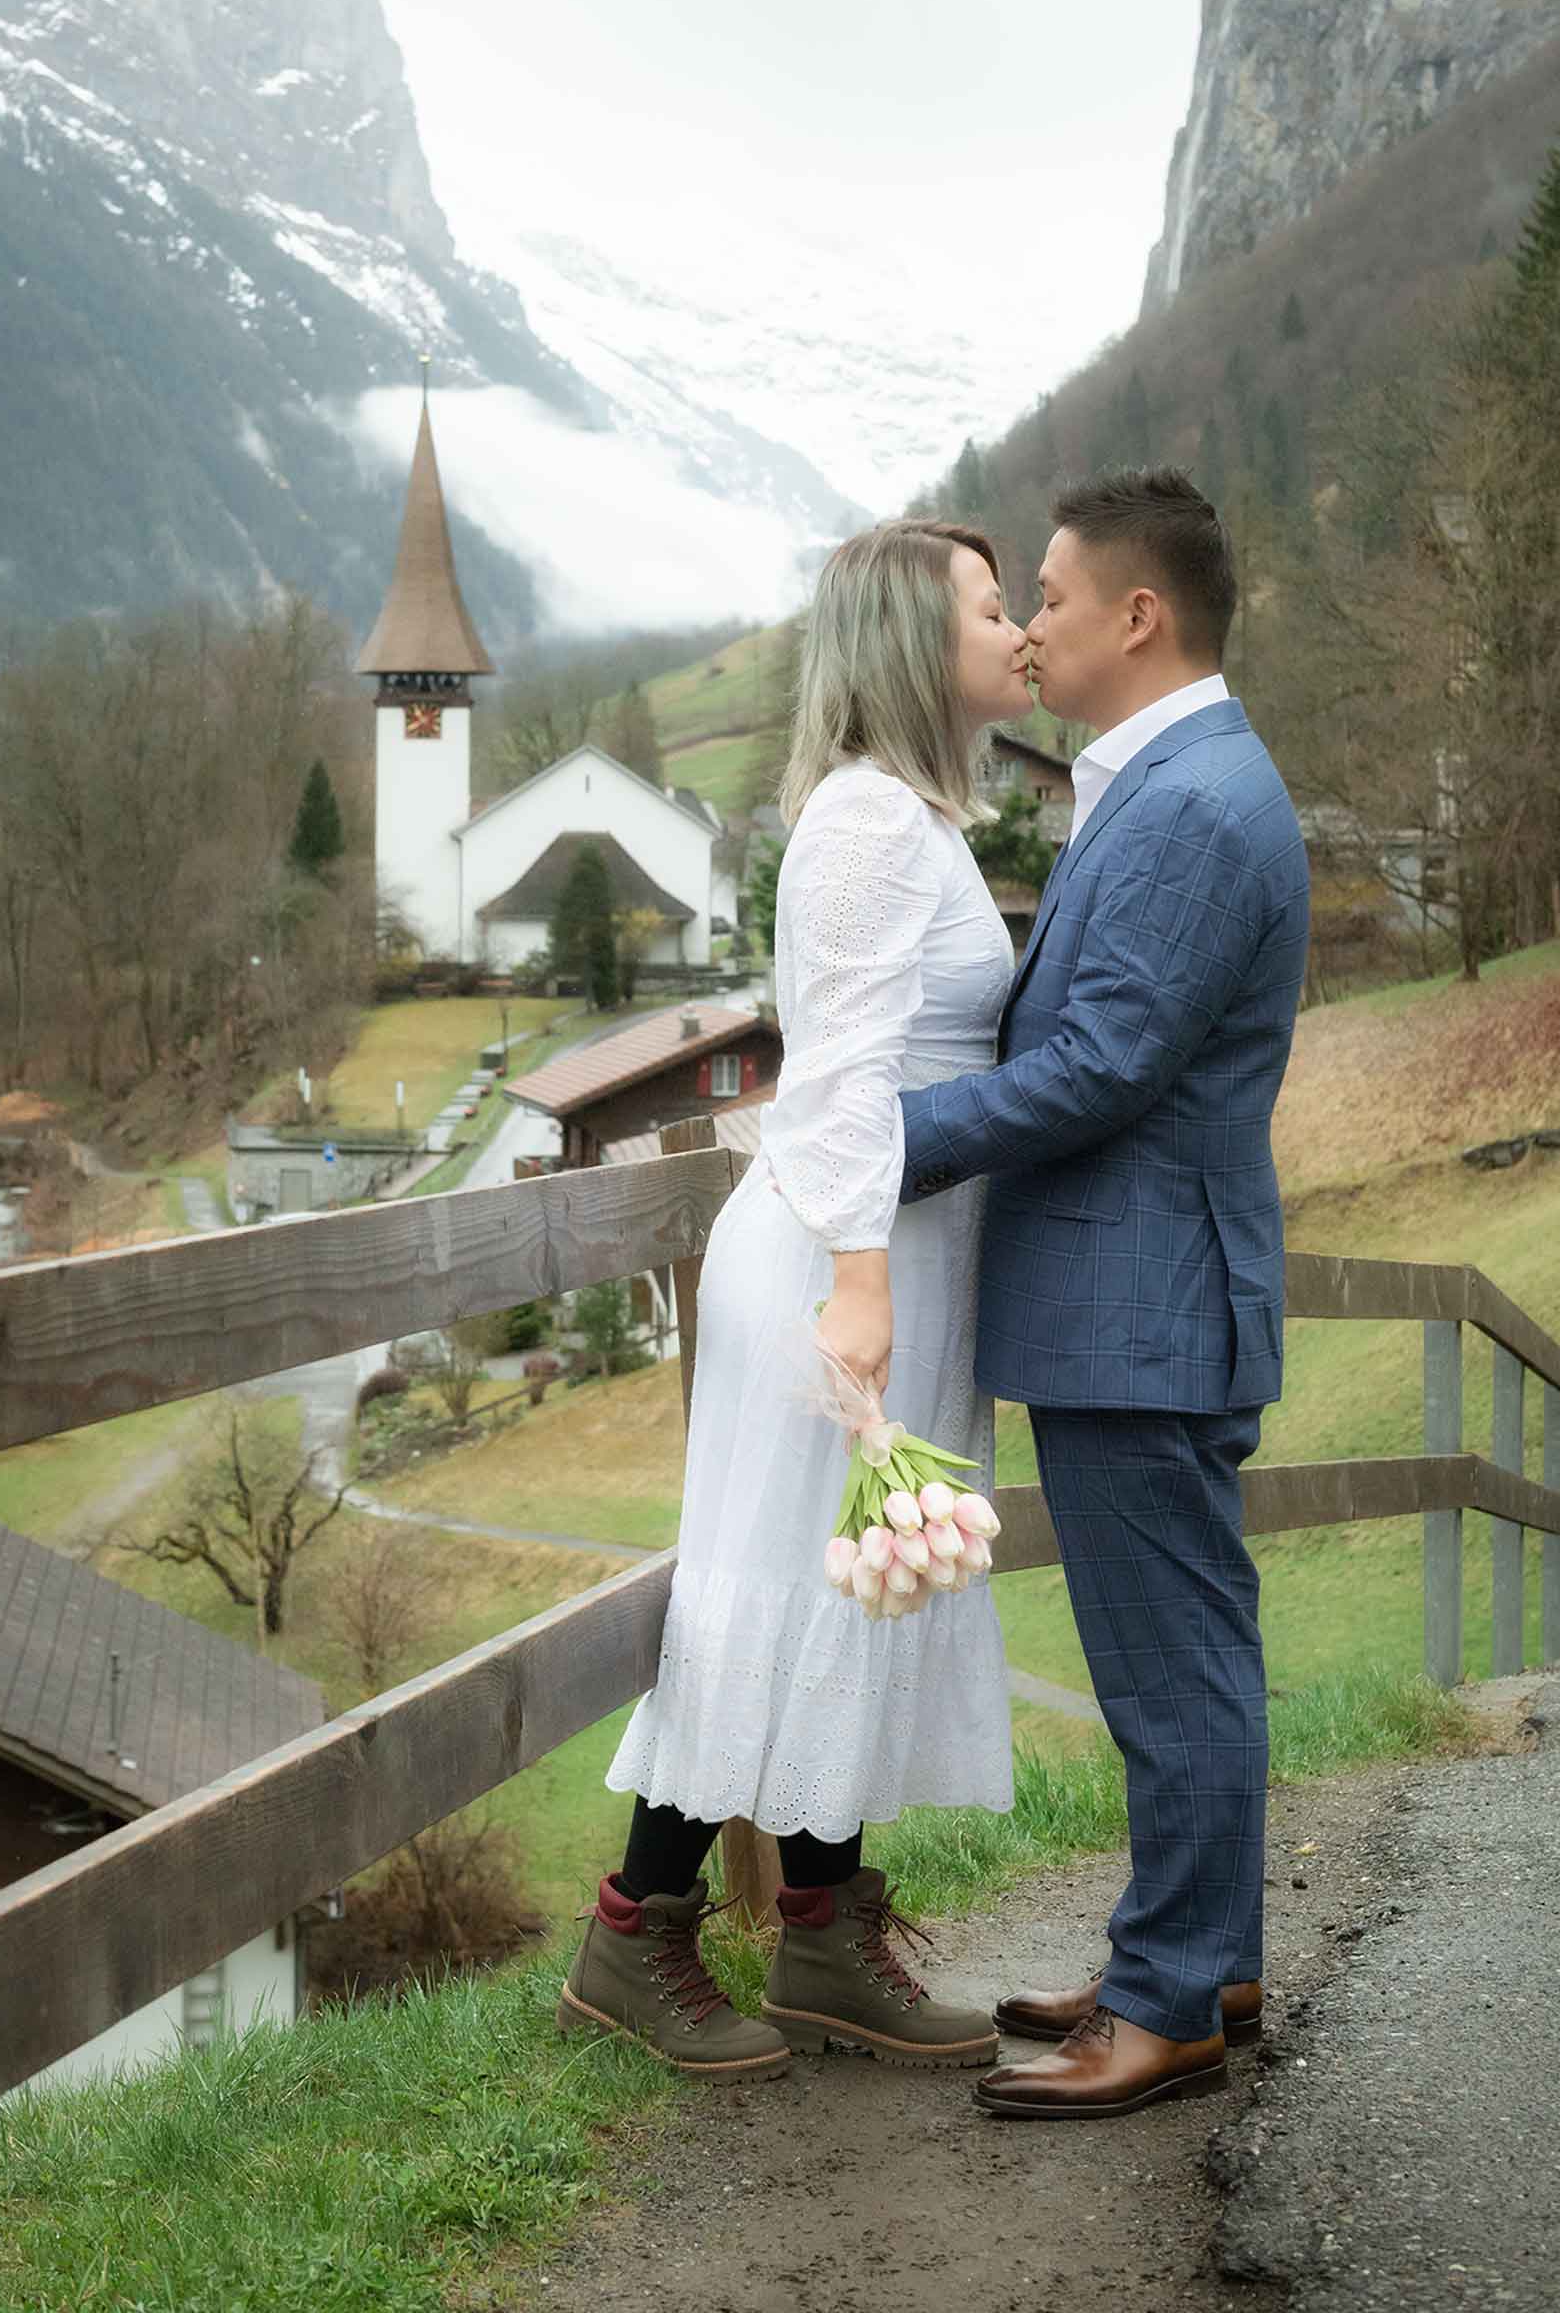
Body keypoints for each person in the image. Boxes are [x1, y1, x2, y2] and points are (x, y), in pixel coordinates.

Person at [557, 519, 1029, 2081]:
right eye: (986, 602)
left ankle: (822, 1933)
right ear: (910, 641)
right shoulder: (866, 827)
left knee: (853, 1589)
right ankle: (635, 1933)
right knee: (767, 1588)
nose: (1016, 621)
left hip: (893, 1266)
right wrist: (864, 1288)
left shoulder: (918, 818)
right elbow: (834, 1086)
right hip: (845, 1274)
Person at [899, 466, 1310, 2120]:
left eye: (1051, 597)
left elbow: (1099, 1066)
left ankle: (1171, 2007)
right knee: (1179, 1657)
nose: (1030, 624)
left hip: (1142, 1310)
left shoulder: (1197, 803)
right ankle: (1192, 1958)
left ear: (1139, 614)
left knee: (1169, 1673)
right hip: (1138, 1300)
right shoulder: (1170, 782)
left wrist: (874, 1138)